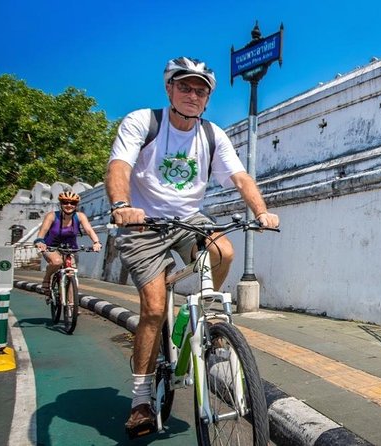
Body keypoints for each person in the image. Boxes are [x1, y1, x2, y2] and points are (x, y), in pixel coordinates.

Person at [106, 56, 280, 438]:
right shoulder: (143, 122)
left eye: (200, 90)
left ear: (207, 99)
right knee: (152, 309)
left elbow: (239, 176)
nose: (192, 94)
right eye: (184, 86)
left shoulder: (212, 136)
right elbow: (119, 164)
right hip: (144, 222)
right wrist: (121, 206)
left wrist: (262, 211)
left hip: (187, 220)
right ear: (169, 89)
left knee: (224, 251)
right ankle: (140, 400)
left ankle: (201, 315)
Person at [34, 190, 102, 296]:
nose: (69, 205)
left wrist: (96, 242)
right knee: (57, 262)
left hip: (70, 248)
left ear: (76, 205)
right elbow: (42, 231)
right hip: (51, 247)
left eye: (72, 203)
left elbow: (89, 230)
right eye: (65, 202)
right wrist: (40, 242)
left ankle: (71, 306)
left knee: (71, 274)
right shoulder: (52, 216)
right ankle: (47, 278)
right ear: (61, 204)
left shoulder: (80, 216)